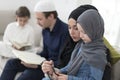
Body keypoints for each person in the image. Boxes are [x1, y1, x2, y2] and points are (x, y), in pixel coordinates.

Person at [0, 0, 73, 80]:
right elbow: (45, 52)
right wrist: (30, 59)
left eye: (40, 19)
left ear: (51, 16)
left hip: (52, 68)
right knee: (11, 63)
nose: (37, 23)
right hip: (43, 63)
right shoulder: (45, 30)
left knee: (27, 75)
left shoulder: (66, 32)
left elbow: (62, 63)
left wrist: (38, 65)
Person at [42, 9, 107, 80]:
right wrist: (55, 71)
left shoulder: (98, 54)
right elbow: (70, 66)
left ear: (94, 30)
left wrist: (69, 78)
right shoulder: (81, 45)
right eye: (80, 31)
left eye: (84, 32)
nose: (81, 36)